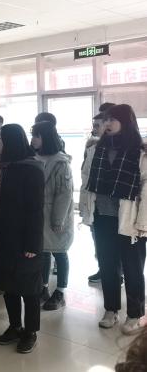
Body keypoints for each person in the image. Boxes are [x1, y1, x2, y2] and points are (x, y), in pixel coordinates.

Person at [87, 104, 145, 335]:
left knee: (133, 268)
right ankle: (111, 309)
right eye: (106, 120)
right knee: (107, 265)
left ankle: (135, 314)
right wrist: (88, 212)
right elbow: (88, 183)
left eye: (113, 120)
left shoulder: (140, 152)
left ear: (126, 122)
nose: (107, 124)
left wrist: (143, 223)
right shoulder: (97, 148)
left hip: (130, 220)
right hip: (103, 216)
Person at [0, 124, 45, 355]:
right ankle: (15, 326)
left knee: (29, 288)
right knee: (9, 285)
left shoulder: (31, 169)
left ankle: (30, 331)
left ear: (11, 141)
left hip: (25, 239)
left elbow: (36, 210)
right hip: (6, 236)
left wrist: (33, 244)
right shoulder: (5, 166)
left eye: (0, 138)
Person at [31, 121, 74, 311]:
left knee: (60, 252)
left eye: (36, 136)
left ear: (46, 137)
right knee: (43, 251)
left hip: (55, 215)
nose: (33, 139)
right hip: (38, 214)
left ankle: (60, 292)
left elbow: (64, 194)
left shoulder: (60, 162)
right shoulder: (33, 158)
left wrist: (58, 219)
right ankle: (44, 287)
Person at [79, 111, 108, 283]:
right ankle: (103, 268)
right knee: (97, 239)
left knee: (110, 242)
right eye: (94, 125)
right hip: (93, 202)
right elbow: (85, 174)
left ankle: (116, 273)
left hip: (109, 206)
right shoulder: (91, 147)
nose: (94, 129)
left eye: (97, 125)